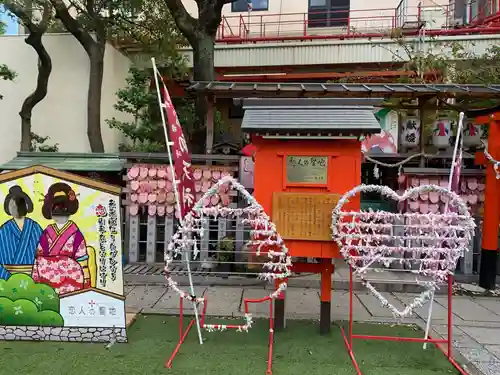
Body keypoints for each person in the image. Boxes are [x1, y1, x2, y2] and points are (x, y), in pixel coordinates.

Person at [32, 182, 91, 295]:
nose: (59, 215)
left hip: (70, 273)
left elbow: (81, 258)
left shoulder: (75, 233)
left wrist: (86, 279)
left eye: (63, 211)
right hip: (47, 272)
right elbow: (40, 254)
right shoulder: (47, 232)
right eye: (56, 211)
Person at [0, 185, 43, 280]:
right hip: (7, 277)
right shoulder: (3, 230)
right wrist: (6, 278)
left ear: (27, 205)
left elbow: (44, 252)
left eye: (20, 204)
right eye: (12, 205)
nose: (16, 208)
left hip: (34, 276)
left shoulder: (35, 227)